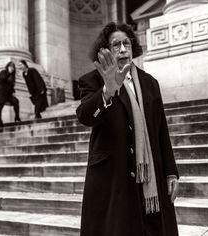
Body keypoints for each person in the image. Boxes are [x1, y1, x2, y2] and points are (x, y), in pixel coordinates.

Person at [76, 22, 179, 236]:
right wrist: (107, 91)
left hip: (152, 176)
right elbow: (85, 116)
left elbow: (161, 129)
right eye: (116, 45)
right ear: (105, 50)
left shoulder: (150, 83)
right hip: (113, 178)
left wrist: (171, 172)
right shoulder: (93, 80)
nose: (123, 49)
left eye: (126, 43)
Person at [0, 61, 20, 127]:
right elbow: (1, 80)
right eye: (11, 67)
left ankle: (17, 117)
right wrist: (8, 73)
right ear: (8, 67)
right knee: (0, 107)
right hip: (0, 92)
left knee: (16, 101)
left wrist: (13, 92)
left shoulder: (12, 76)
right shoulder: (3, 72)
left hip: (8, 94)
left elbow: (11, 86)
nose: (12, 68)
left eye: (13, 67)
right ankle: (0, 121)